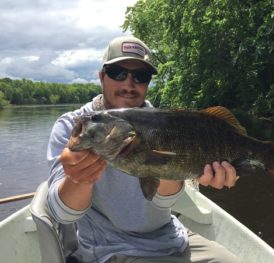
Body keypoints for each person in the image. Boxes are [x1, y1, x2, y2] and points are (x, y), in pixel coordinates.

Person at [46, 35, 242, 263]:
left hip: (171, 238)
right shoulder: (74, 126)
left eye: (140, 76)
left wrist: (205, 170)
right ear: (102, 77)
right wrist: (79, 178)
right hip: (112, 250)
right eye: (118, 73)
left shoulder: (163, 124)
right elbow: (62, 214)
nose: (128, 84)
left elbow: (164, 202)